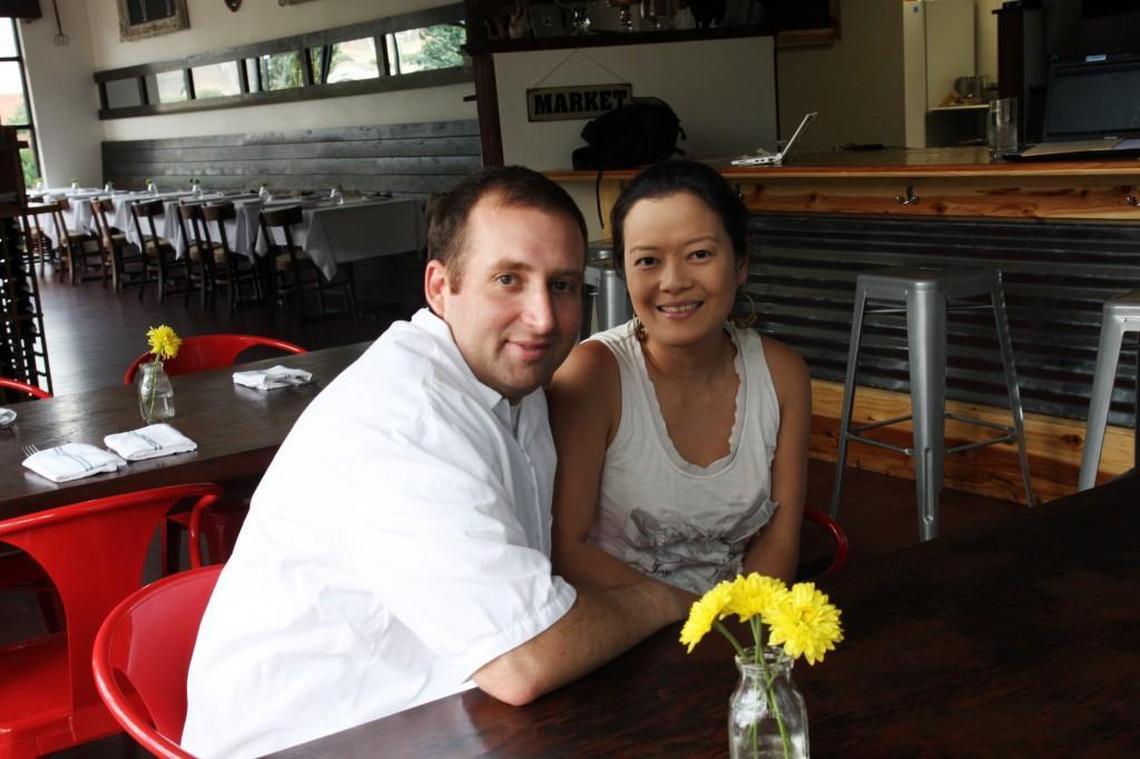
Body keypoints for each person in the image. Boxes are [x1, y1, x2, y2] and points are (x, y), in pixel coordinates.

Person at [182, 167, 691, 758]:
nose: (544, 318)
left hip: (437, 710)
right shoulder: (405, 418)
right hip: (307, 737)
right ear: (439, 286)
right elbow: (524, 661)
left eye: (563, 285)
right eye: (508, 279)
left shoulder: (511, 384)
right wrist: (664, 598)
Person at [548, 160, 811, 597]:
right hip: (622, 625)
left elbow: (780, 539)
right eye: (648, 261)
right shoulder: (594, 376)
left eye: (700, 255)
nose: (673, 282)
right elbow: (568, 550)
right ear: (624, 273)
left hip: (740, 629)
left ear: (740, 263)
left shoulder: (783, 376)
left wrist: (741, 635)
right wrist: (697, 620)